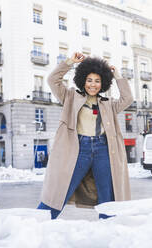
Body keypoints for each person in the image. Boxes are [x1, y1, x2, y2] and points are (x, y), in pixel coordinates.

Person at [37, 52, 134, 219]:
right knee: (60, 189)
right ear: (83, 80)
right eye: (89, 80)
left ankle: (109, 227)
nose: (93, 85)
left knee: (107, 195)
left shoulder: (108, 104)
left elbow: (128, 98)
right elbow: (53, 80)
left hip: (103, 150)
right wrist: (69, 62)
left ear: (102, 83)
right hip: (78, 149)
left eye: (97, 81)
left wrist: (117, 75)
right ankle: (36, 223)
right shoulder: (70, 96)